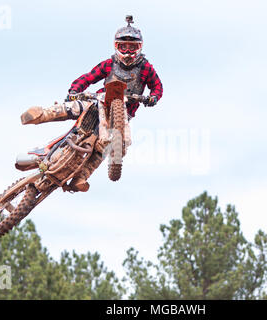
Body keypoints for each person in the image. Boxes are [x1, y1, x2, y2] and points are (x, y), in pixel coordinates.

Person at [18, 16, 163, 192]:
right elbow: (89, 77)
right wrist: (74, 91)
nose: (127, 51)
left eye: (132, 47)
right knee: (75, 106)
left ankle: (81, 177)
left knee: (106, 147)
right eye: (123, 46)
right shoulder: (110, 64)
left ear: (139, 48)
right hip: (99, 102)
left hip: (124, 113)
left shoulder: (145, 67)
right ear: (116, 46)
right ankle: (39, 114)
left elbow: (157, 86)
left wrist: (153, 97)